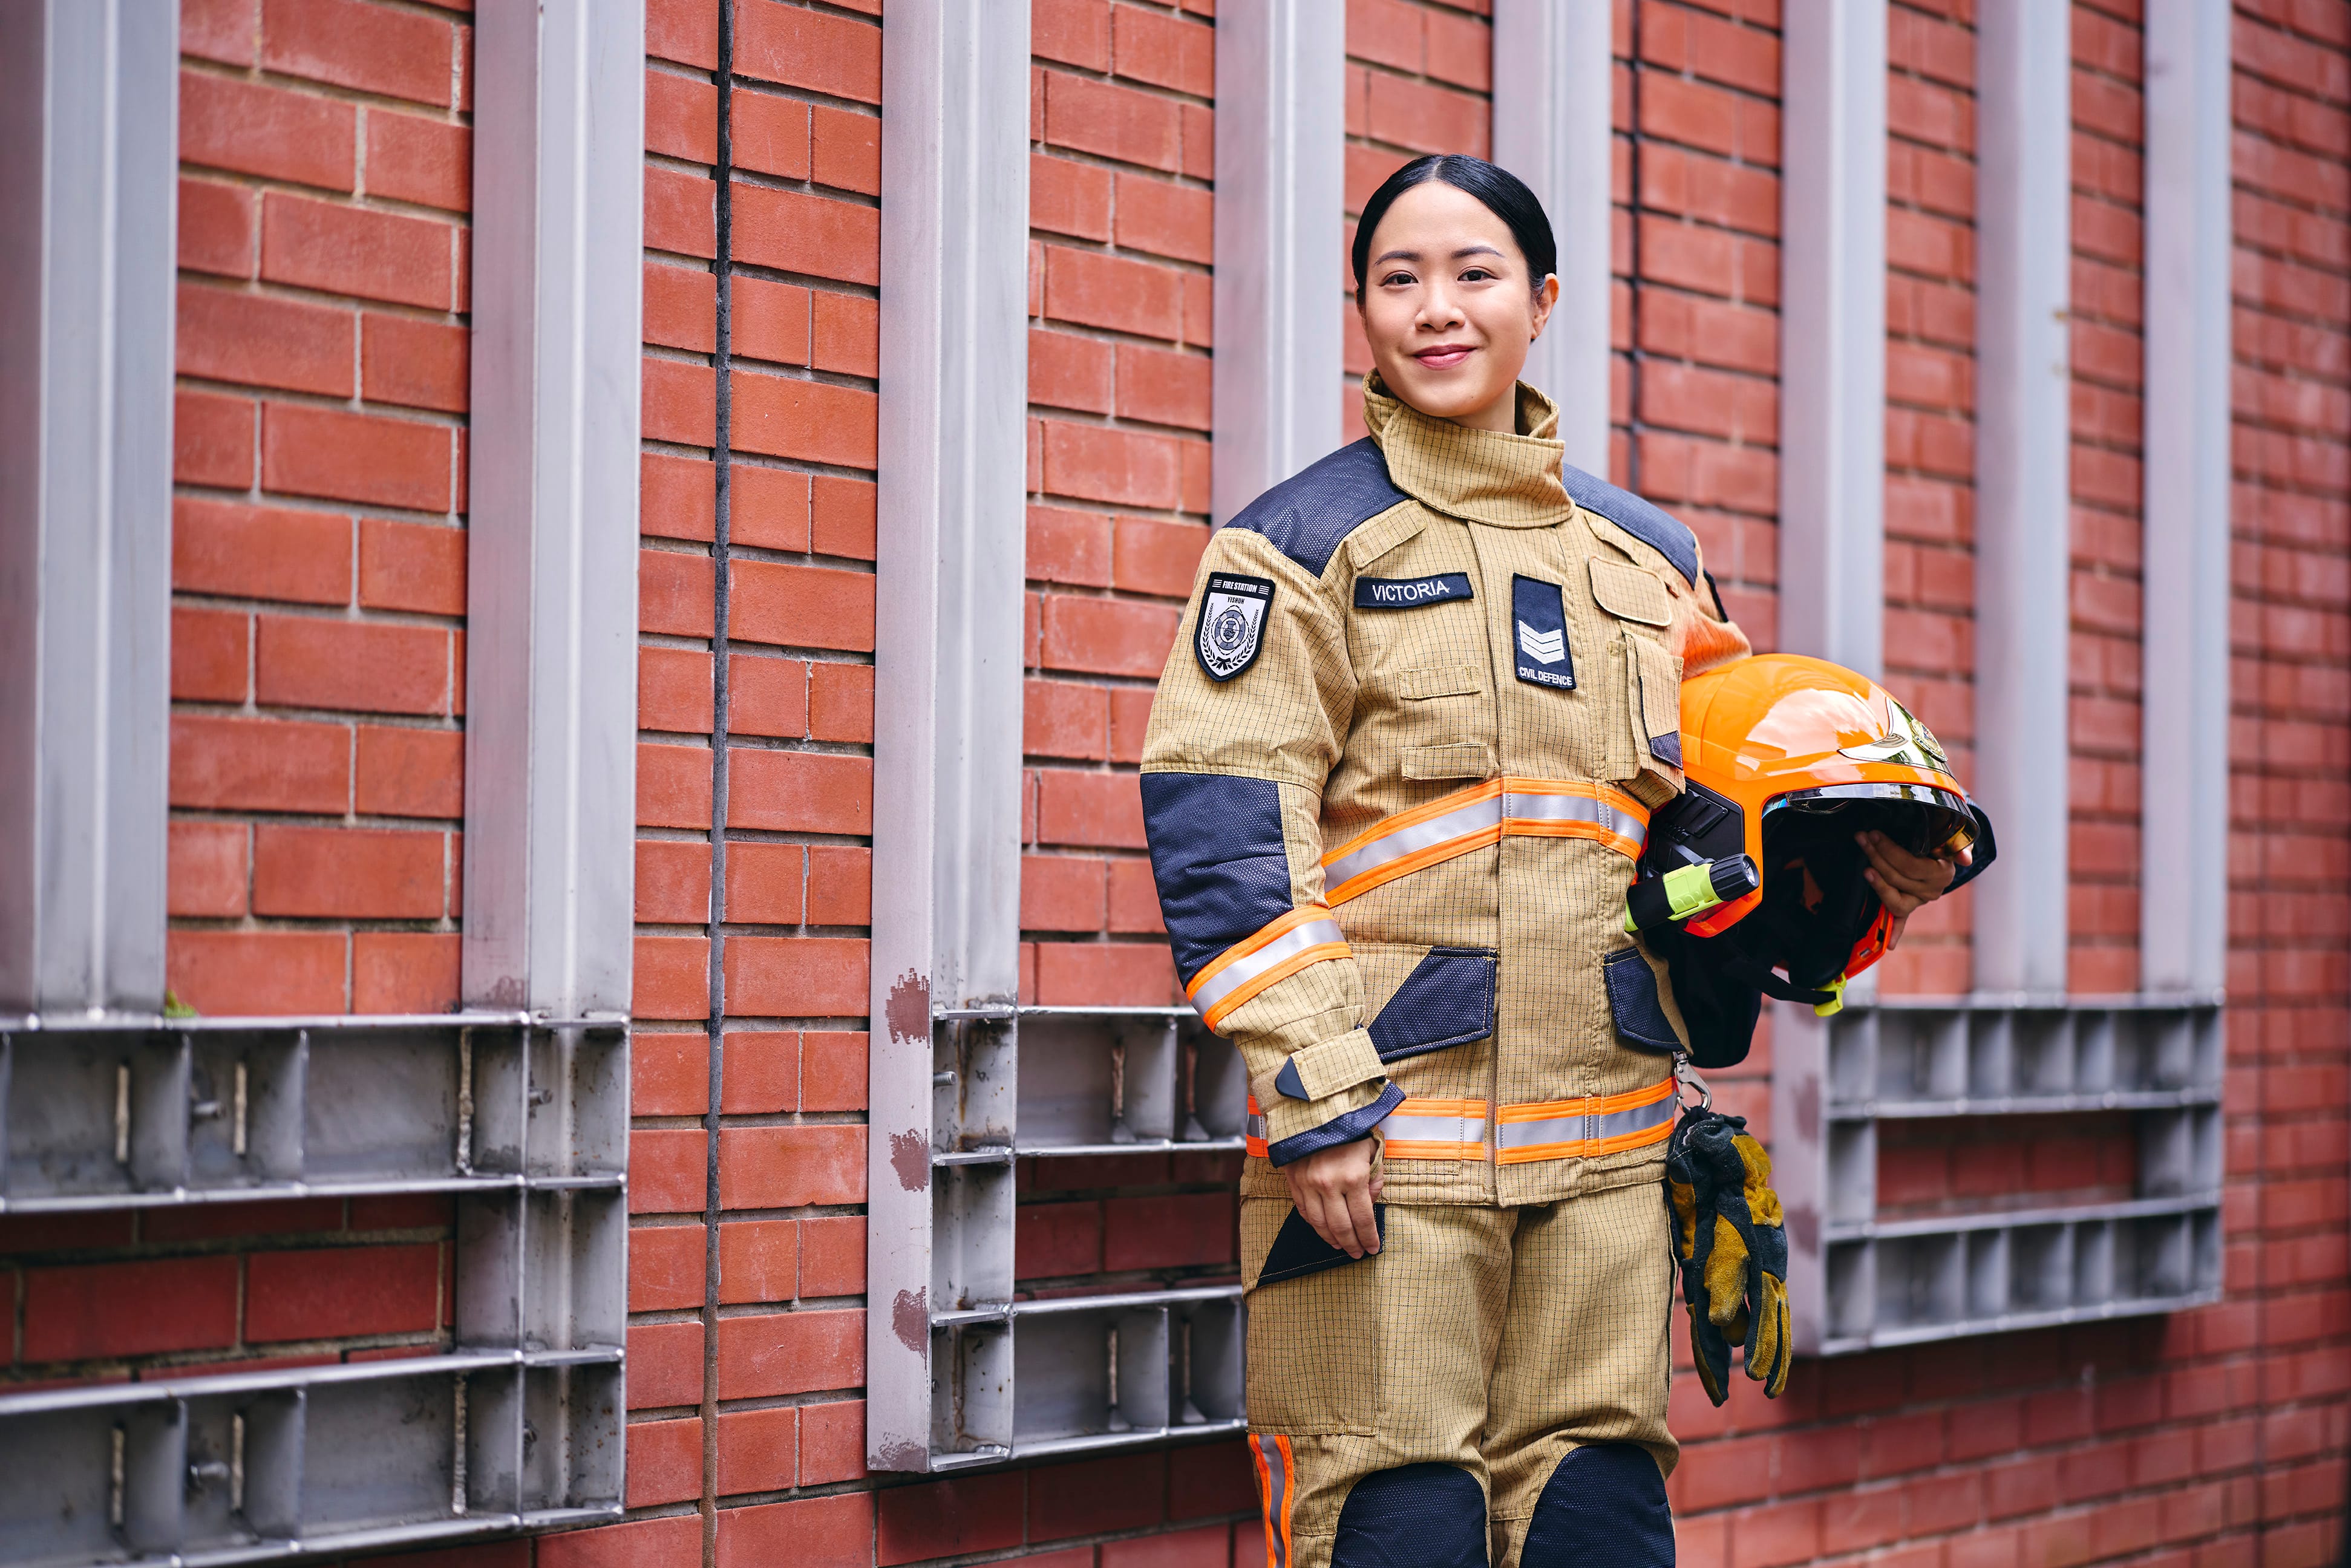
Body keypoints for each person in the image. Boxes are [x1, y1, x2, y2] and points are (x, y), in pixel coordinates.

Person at [1138, 155, 1964, 1568]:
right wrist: (1317, 1096)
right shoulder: (1295, 550)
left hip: (1607, 1164)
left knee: (1595, 1524)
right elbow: (1225, 829)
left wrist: (1865, 857)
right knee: (1394, 1525)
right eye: (1399, 281)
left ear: (1541, 300)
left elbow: (1731, 783)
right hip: (1383, 1168)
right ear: (1363, 312)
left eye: (1473, 275)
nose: (1436, 309)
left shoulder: (1649, 561)